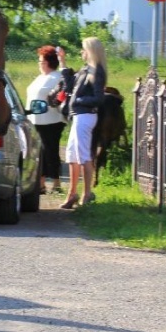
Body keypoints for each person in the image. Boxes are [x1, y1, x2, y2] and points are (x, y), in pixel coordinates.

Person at [57, 38, 107, 209]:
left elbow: (99, 98)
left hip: (85, 116)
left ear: (91, 51)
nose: (81, 52)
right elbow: (70, 85)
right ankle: (72, 193)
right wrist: (62, 62)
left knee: (83, 155)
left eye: (84, 49)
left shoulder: (96, 72)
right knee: (71, 155)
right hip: (79, 116)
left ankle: (86, 194)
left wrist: (79, 99)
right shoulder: (86, 70)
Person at [25, 45, 66, 193]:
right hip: (35, 121)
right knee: (39, 152)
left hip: (51, 121)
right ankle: (41, 184)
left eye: (41, 61)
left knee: (50, 151)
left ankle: (56, 183)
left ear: (49, 62)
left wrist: (63, 59)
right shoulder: (40, 77)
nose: (39, 64)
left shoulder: (57, 77)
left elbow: (60, 94)